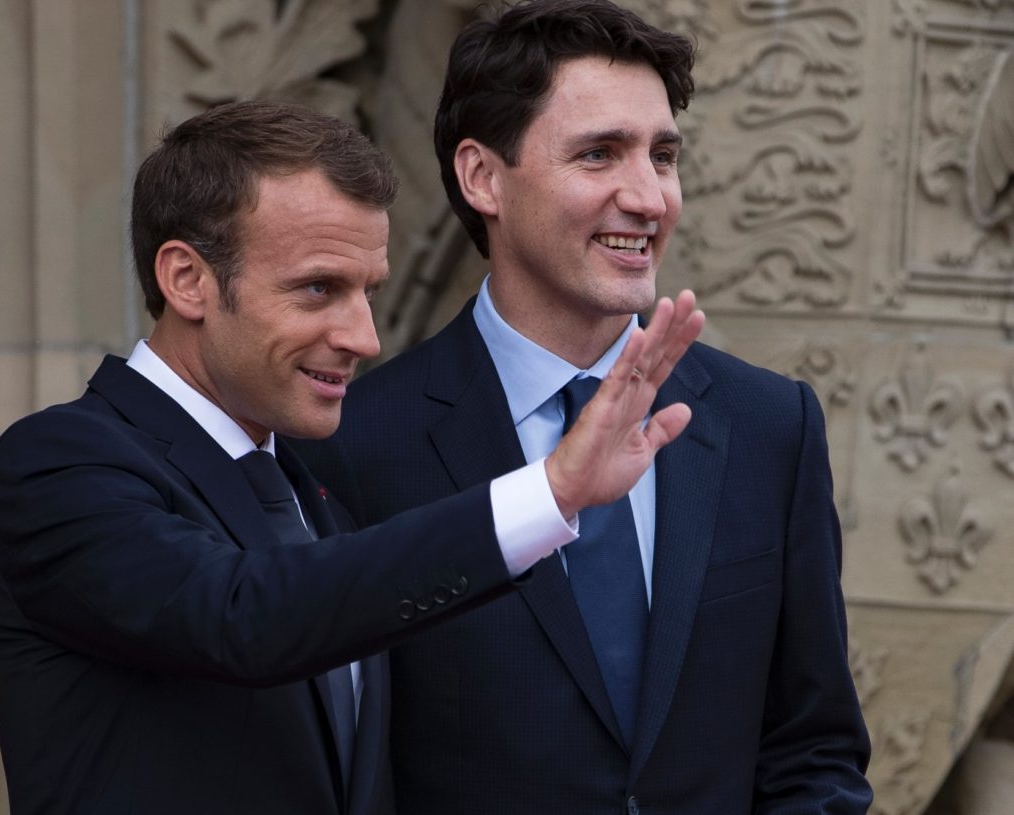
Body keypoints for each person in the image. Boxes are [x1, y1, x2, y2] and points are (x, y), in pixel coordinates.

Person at [0, 99, 703, 815]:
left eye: (367, 293)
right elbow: (242, 614)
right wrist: (550, 492)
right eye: (319, 289)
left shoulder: (312, 491)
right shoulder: (56, 465)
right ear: (186, 279)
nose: (364, 337)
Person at [294, 2, 873, 813]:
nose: (648, 197)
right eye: (599, 154)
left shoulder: (771, 424)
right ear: (482, 177)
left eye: (662, 156)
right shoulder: (356, 442)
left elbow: (814, 751)